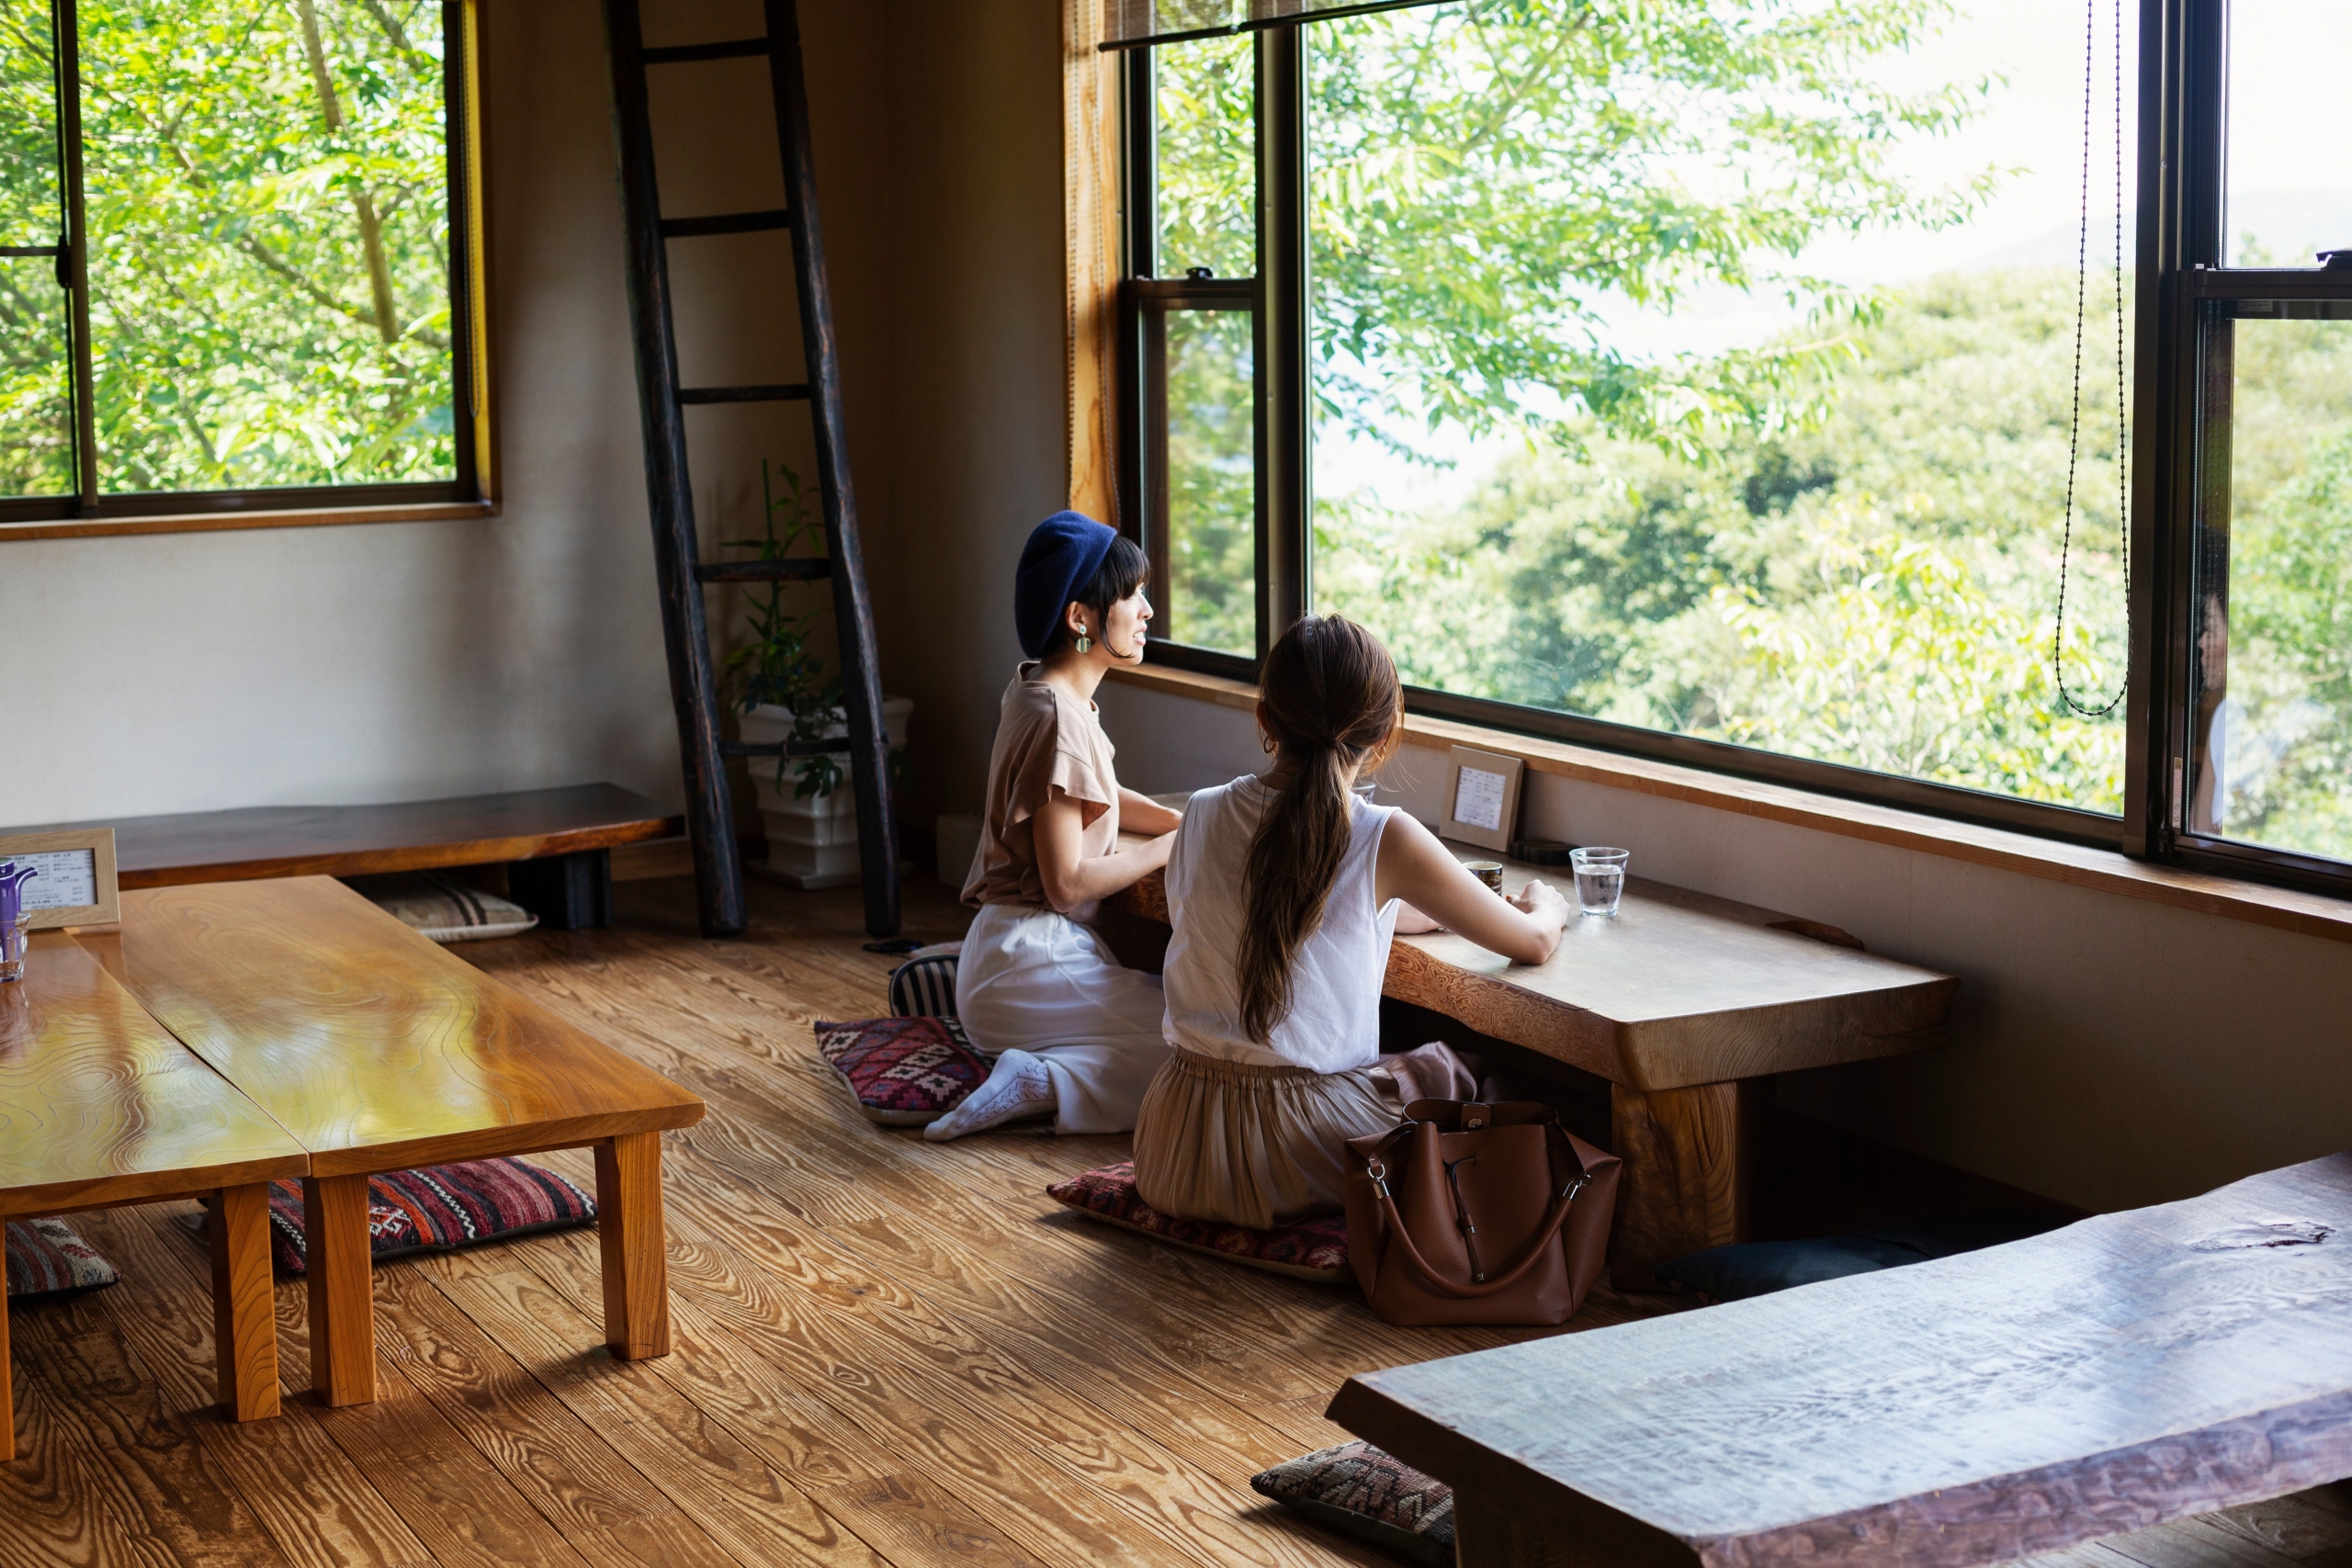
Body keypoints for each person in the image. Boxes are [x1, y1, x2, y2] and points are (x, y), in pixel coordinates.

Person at [1131, 615, 1571, 1228]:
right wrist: (1546, 900)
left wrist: (1399, 911)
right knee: (1456, 1072)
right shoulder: (1383, 834)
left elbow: (1249, 915)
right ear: (1386, 733)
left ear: (1265, 721)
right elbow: (1534, 941)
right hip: (1291, 1158)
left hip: (1175, 1146)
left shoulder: (1199, 815)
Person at [926, 511, 1183, 1142]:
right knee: (1204, 1051)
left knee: (1188, 1044)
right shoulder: (1057, 716)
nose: (1147, 610)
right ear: (1081, 618)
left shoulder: (1042, 693)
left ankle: (1041, 1076)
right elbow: (1067, 884)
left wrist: (1186, 817)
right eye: (1132, 596)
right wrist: (1176, 845)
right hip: (1027, 963)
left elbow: (1088, 791)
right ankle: (1039, 1079)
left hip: (1008, 962)